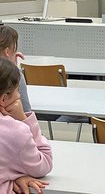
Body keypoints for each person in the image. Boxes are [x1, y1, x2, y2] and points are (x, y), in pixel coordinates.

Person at [0, 58, 52, 194]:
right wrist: (23, 119)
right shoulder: (14, 132)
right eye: (17, 90)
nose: (19, 95)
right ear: (4, 99)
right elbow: (45, 163)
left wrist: (10, 177)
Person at [0, 25, 31, 112]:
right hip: (9, 123)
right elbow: (25, 110)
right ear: (7, 52)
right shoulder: (15, 76)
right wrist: (14, 68)